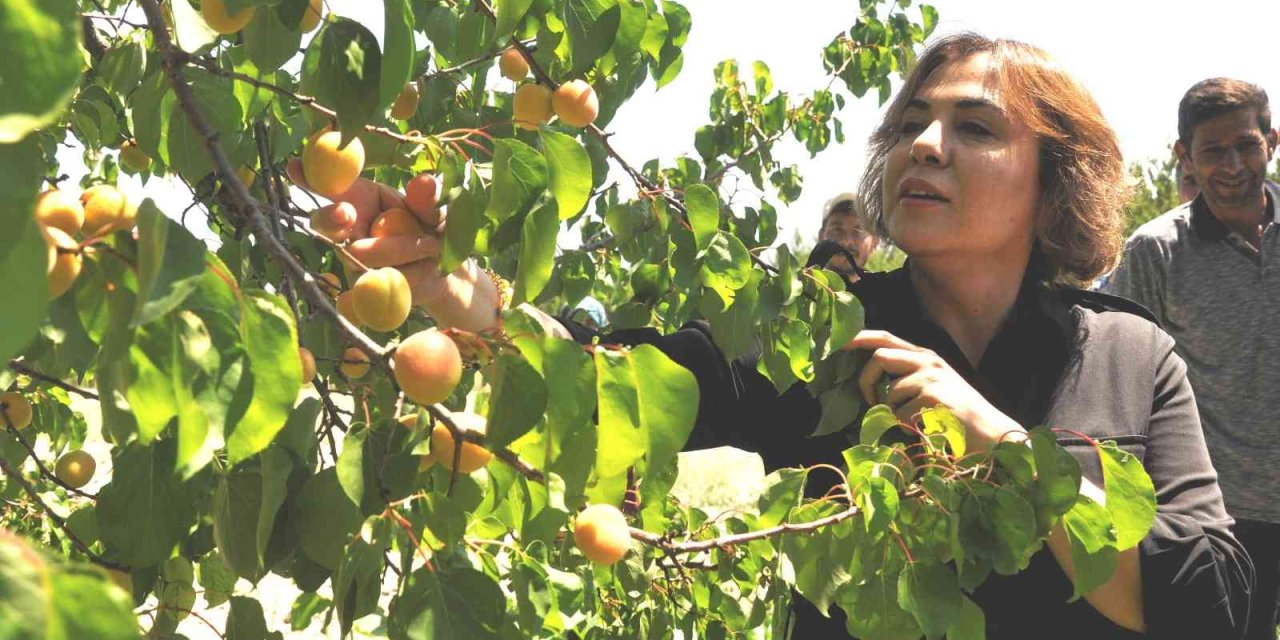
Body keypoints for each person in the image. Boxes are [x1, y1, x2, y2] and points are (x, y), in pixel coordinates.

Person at [290, 34, 1252, 639]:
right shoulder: (825, 334)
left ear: (1055, 178)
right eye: (913, 122)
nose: (924, 144)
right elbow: (638, 378)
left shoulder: (1130, 354)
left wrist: (998, 440)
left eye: (975, 127)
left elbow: (1210, 607)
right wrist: (479, 309)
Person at [1104, 77, 1279, 640]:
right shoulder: (1155, 252)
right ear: (1183, 155)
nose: (1232, 165)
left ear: (1272, 141)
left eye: (1246, 146)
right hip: (1220, 520)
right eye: (1212, 150)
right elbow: (1119, 382)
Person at [807, 192, 879, 280]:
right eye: (837, 230)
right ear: (821, 237)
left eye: (859, 231)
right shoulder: (797, 290)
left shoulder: (888, 292)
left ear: (874, 243)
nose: (847, 241)